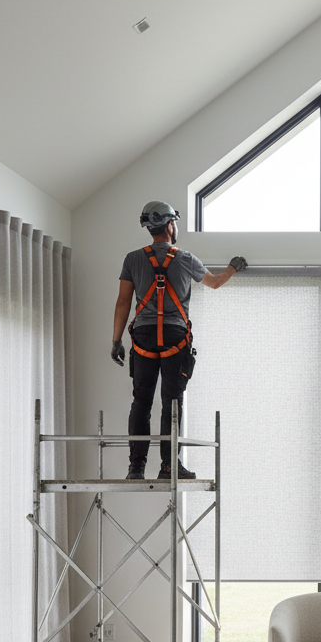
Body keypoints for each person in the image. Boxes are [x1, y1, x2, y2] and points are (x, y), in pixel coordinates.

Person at [110, 200, 247, 480]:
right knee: (171, 402)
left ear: (150, 228)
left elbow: (123, 302)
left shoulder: (133, 259)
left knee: (141, 402)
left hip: (143, 337)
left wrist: (115, 341)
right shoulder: (185, 258)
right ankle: (169, 466)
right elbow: (215, 281)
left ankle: (136, 468)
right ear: (171, 225)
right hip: (175, 336)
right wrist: (233, 268)